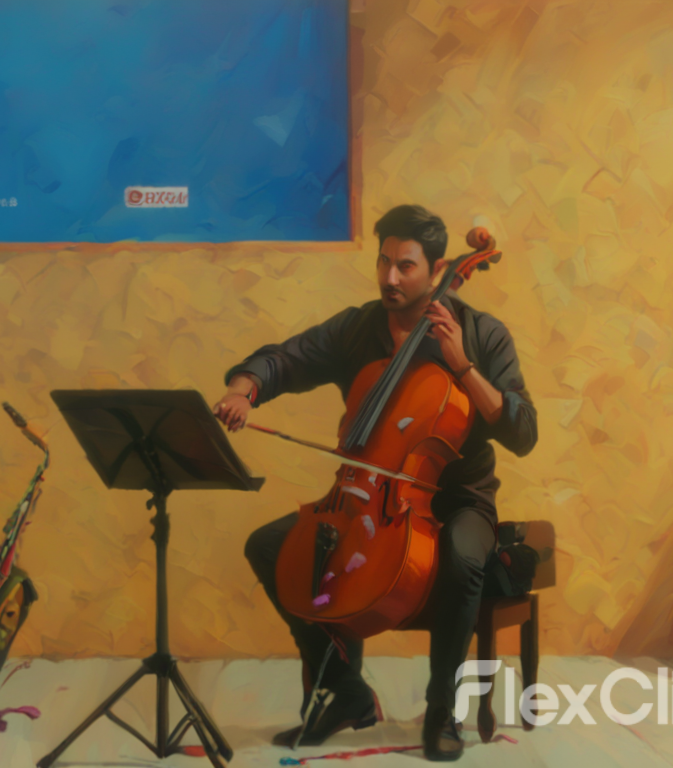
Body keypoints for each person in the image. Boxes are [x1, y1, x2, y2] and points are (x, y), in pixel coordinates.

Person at [213, 205, 537, 761]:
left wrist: (462, 366)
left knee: (463, 556)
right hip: (369, 496)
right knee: (270, 547)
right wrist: (244, 389)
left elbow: (523, 431)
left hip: (459, 499)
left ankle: (442, 710)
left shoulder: (482, 333)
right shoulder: (358, 328)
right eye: (384, 262)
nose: (389, 277)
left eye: (405, 266)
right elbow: (287, 359)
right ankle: (347, 692)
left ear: (437, 270)